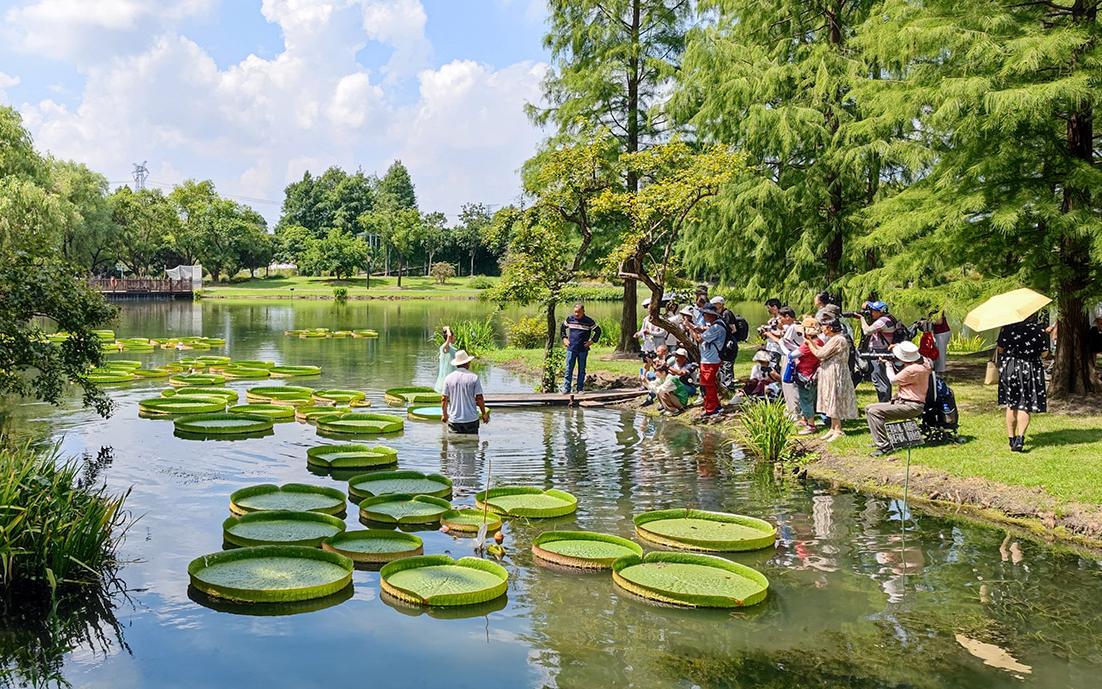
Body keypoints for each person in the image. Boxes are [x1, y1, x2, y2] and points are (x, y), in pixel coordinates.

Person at [865, 341, 932, 456]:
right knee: (868, 408)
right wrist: (897, 348)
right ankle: (880, 440)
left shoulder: (912, 370)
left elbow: (893, 380)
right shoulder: (924, 362)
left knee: (874, 412)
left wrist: (888, 364)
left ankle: (884, 446)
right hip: (904, 401)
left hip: (911, 405)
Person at [997, 314, 1048, 452]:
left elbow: (1000, 350)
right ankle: (1020, 438)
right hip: (1030, 368)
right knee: (1024, 403)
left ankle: (1011, 438)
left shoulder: (1007, 329)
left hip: (1011, 367)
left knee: (1011, 403)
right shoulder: (1038, 330)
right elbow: (1044, 353)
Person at [806, 317, 858, 441]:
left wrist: (809, 344)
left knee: (835, 398)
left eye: (823, 326)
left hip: (836, 372)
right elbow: (823, 350)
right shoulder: (833, 339)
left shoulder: (839, 339)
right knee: (830, 398)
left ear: (830, 327)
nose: (822, 329)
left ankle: (838, 430)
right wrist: (811, 341)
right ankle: (833, 428)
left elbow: (820, 354)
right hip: (829, 372)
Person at [853, 300, 896, 403]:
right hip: (883, 351)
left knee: (879, 379)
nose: (871, 312)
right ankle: (886, 402)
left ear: (880, 312)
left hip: (878, 353)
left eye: (874, 310)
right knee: (883, 378)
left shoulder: (883, 321)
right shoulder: (889, 318)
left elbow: (867, 331)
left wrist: (862, 319)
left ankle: (884, 404)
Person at [440, 349, 490, 434]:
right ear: (467, 363)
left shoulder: (448, 378)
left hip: (454, 420)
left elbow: (444, 399)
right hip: (471, 419)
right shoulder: (474, 377)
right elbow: (479, 398)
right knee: (472, 445)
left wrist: (444, 414)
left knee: (454, 444)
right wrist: (484, 414)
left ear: (456, 364)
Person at [765, 306, 801, 416]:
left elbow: (783, 342)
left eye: (781, 318)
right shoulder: (797, 326)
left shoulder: (793, 327)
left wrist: (769, 334)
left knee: (789, 384)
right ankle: (792, 409)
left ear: (787, 317)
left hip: (790, 358)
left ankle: (794, 411)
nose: (779, 320)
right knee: (790, 384)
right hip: (795, 357)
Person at [560, 303, 602, 393]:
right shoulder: (570, 319)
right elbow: (562, 328)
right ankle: (566, 389)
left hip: (583, 349)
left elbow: (598, 331)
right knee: (568, 369)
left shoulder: (589, 321)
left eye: (578, 312)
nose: (576, 314)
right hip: (571, 349)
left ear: (583, 311)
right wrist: (564, 338)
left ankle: (580, 389)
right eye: (575, 312)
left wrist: (591, 342)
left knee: (581, 370)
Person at [693, 305, 726, 416]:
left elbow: (699, 339)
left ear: (711, 315)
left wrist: (690, 328)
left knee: (707, 385)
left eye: (705, 314)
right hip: (708, 360)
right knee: (708, 384)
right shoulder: (715, 326)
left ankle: (711, 409)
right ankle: (715, 405)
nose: (704, 316)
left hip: (710, 361)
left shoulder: (716, 328)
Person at [792, 317, 822, 434]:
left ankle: (811, 426)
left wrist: (782, 343)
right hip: (813, 374)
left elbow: (792, 355)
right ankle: (806, 419)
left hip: (805, 375)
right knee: (811, 398)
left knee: (805, 400)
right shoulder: (819, 341)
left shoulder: (808, 345)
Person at [710, 295, 737, 389]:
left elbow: (733, 329)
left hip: (729, 342)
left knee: (728, 364)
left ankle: (729, 386)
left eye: (714, 304)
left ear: (720, 304)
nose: (713, 306)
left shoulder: (727, 313)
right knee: (722, 364)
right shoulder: (719, 314)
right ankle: (724, 384)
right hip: (722, 342)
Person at [433, 325, 457, 394]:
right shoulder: (445, 347)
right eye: (454, 336)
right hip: (447, 376)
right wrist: (447, 328)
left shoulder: (452, 348)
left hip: (453, 375)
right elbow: (449, 335)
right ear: (451, 337)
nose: (455, 338)